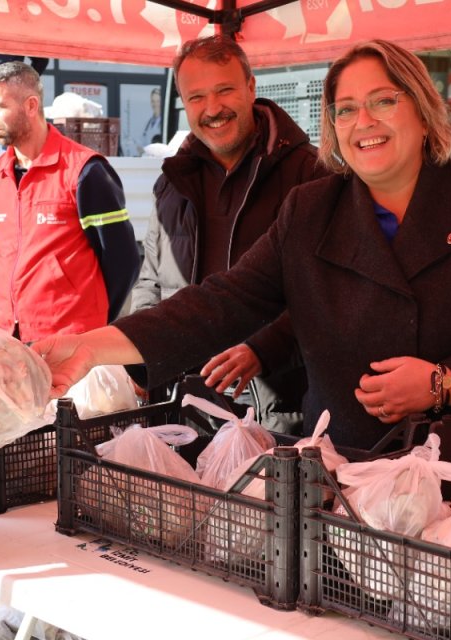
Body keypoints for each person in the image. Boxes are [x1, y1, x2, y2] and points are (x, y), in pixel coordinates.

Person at [33, 39, 451, 461]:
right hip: (355, 480)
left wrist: (444, 384)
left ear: (421, 109)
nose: (363, 122)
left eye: (382, 101)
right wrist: (92, 348)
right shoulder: (310, 210)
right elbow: (221, 302)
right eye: (346, 109)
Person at [131, 35, 328, 434]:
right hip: (187, 399)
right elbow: (151, 281)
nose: (213, 109)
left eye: (224, 90)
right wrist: (138, 354)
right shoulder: (172, 181)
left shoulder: (311, 174)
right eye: (197, 97)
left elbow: (328, 293)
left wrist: (263, 348)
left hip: (279, 401)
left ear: (252, 88)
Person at [0, 61, 140, 342]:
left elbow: (122, 260)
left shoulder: (85, 171)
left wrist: (94, 317)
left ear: (31, 106)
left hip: (70, 341)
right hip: (10, 337)